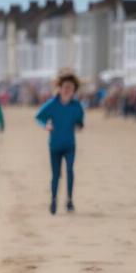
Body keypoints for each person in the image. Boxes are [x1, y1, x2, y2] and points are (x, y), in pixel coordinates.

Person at [35, 71, 84, 215]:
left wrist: (79, 126)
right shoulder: (52, 104)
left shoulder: (77, 106)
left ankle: (69, 200)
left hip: (69, 145)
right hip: (54, 145)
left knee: (70, 170)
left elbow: (80, 122)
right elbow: (38, 117)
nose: (67, 90)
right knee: (56, 174)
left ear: (74, 90)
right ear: (60, 88)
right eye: (65, 87)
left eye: (70, 87)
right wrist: (46, 125)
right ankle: (54, 199)